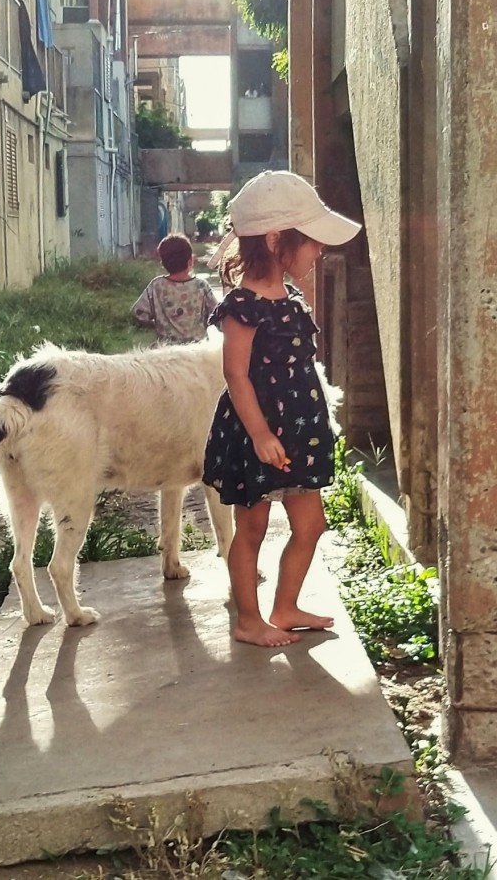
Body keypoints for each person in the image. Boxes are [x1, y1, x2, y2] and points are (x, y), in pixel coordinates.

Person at [202, 170, 362, 646]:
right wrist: (259, 434)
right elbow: (236, 375)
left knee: (311, 525)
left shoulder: (290, 299)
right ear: (276, 241)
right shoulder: (242, 306)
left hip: (298, 432)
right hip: (260, 433)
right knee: (250, 528)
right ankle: (249, 620)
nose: (319, 251)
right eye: (311, 242)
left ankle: (286, 606)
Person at [131, 233, 218, 345]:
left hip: (167, 352)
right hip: (197, 352)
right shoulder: (201, 286)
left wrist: (155, 325)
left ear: (163, 263)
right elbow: (217, 314)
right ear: (190, 261)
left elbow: (138, 312)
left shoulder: (157, 285)